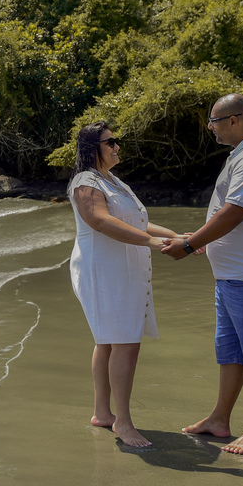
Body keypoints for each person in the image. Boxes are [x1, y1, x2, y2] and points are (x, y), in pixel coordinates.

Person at [162, 94, 243, 454]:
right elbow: (228, 213)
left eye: (213, 122)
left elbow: (234, 212)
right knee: (231, 352)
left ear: (234, 120)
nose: (210, 128)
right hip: (235, 276)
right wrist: (201, 238)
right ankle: (220, 419)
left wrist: (189, 245)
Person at [68, 121, 181, 448]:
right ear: (93, 148)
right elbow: (100, 221)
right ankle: (124, 423)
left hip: (119, 268)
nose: (117, 146)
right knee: (124, 342)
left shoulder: (111, 180)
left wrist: (173, 236)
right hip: (103, 270)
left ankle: (103, 414)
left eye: (116, 141)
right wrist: (151, 242)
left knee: (108, 341)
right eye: (110, 142)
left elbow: (137, 221)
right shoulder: (85, 181)